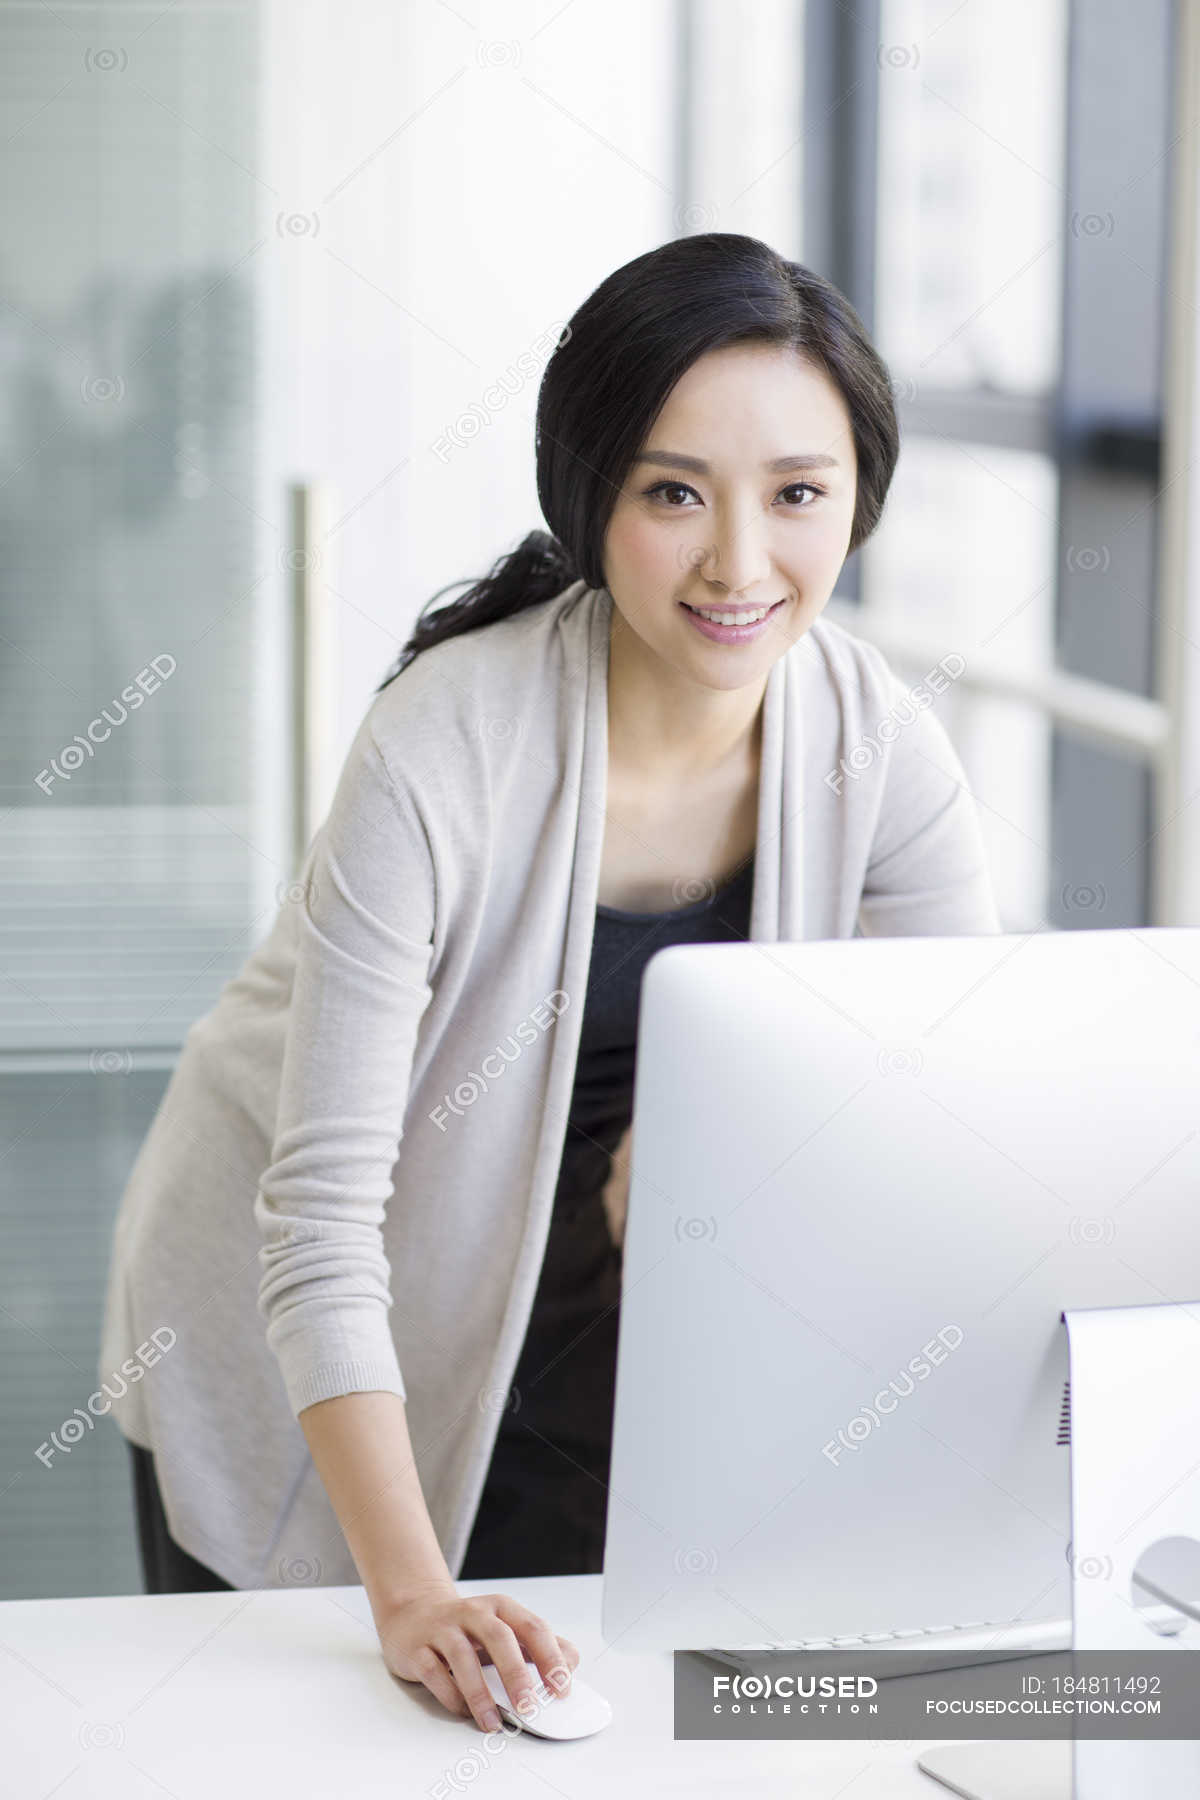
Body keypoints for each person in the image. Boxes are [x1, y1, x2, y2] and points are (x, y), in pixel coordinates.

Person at [98, 231, 1001, 1735]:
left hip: (596, 1335)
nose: (738, 562)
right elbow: (316, 1227)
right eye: (672, 493)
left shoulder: (883, 752)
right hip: (313, 1333)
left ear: (858, 497)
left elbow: (939, 1140)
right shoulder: (445, 747)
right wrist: (407, 1596)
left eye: (797, 494)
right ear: (590, 496)